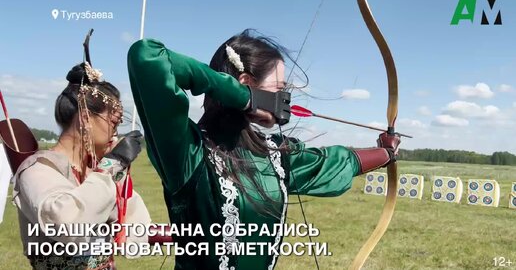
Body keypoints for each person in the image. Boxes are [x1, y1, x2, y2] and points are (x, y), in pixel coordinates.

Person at [127, 29, 401, 270]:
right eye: (279, 89)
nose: (285, 99)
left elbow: (334, 162)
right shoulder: (187, 150)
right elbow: (147, 56)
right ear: (246, 83)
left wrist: (386, 153)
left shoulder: (273, 156)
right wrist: (245, 99)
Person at [12, 36, 151, 269]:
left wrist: (117, 173)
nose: (115, 134)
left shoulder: (95, 172)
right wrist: (112, 164)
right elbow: (65, 223)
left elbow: (133, 232)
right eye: (113, 123)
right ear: (86, 118)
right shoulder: (37, 170)